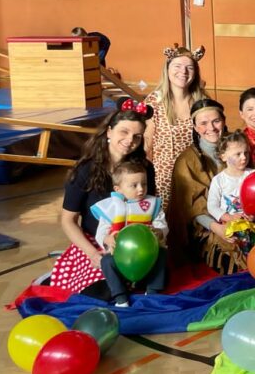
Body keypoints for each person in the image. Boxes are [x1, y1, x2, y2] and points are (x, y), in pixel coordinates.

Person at [50, 99, 154, 294]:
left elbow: (149, 209)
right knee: (105, 291)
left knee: (151, 285)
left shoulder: (145, 169)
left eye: (137, 136)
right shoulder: (85, 170)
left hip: (135, 244)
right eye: (124, 132)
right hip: (95, 244)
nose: (130, 140)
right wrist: (92, 254)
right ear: (108, 132)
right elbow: (68, 220)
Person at [167, 99, 246, 273]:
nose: (211, 128)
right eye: (203, 123)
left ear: (224, 121)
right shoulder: (186, 161)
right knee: (233, 255)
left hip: (241, 216)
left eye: (216, 121)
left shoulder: (239, 148)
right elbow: (193, 209)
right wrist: (218, 228)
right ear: (195, 128)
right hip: (206, 227)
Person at [90, 161, 169, 307]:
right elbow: (101, 233)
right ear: (118, 189)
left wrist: (159, 231)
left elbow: (162, 225)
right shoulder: (110, 208)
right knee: (106, 262)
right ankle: (120, 298)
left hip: (147, 257)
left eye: (144, 184)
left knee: (163, 254)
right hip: (121, 258)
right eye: (134, 185)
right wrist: (107, 238)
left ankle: (153, 292)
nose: (141, 189)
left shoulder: (152, 204)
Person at [145, 44, 207, 209]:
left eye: (189, 67)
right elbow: (147, 143)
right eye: (177, 66)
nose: (183, 72)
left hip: (195, 176)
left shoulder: (201, 101)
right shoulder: (155, 101)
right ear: (167, 69)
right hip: (164, 180)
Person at [206, 133, 253, 224]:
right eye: (238, 154)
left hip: (253, 226)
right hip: (230, 228)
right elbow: (212, 206)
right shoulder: (218, 180)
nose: (244, 157)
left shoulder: (253, 175)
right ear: (223, 157)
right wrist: (229, 217)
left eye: (246, 152)